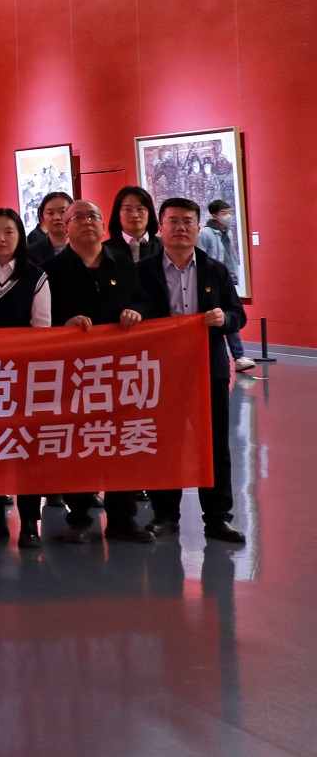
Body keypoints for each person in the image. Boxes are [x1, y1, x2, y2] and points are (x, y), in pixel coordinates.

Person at [138, 197, 248, 544]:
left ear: (198, 227)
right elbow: (133, 309)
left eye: (188, 221)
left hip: (207, 370)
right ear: (160, 228)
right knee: (165, 443)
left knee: (214, 445)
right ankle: (165, 514)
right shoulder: (142, 271)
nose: (180, 228)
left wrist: (224, 318)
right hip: (161, 372)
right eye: (173, 221)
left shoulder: (215, 270)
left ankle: (217, 519)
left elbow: (238, 315)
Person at [43, 199, 151, 543]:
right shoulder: (51, 270)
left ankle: (123, 519)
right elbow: (41, 318)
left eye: (93, 216)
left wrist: (136, 312)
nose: (87, 221)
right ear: (65, 227)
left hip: (120, 370)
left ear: (104, 225)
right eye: (78, 217)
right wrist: (65, 323)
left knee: (122, 441)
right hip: (74, 372)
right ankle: (78, 517)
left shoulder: (123, 263)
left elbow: (142, 300)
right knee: (77, 443)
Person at [0, 208, 53, 548]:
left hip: (25, 377)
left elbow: (42, 328)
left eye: (9, 231)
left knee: (27, 449)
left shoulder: (36, 276)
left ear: (20, 236)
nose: (1, 238)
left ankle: (30, 520)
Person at [200, 200, 256, 372]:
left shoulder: (227, 233)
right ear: (214, 215)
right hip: (211, 283)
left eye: (229, 212)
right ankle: (237, 356)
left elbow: (231, 256)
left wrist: (233, 276)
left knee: (229, 317)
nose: (228, 216)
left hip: (225, 281)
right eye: (224, 213)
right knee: (220, 318)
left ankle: (238, 356)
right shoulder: (205, 234)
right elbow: (201, 258)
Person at [104, 186, 161, 264]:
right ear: (118, 213)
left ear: (149, 213)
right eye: (127, 209)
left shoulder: (164, 247)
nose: (135, 215)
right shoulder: (105, 250)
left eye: (140, 209)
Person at [26, 191, 73, 265]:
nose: (56, 217)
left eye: (62, 211)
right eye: (50, 213)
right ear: (42, 218)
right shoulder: (30, 254)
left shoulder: (85, 249)